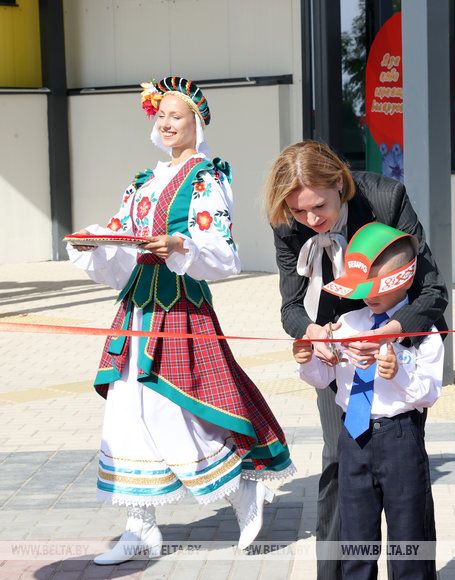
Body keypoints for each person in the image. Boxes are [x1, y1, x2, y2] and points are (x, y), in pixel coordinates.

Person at [67, 76, 294, 565]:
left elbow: (224, 254)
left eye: (177, 115)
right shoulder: (143, 181)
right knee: (127, 408)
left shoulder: (206, 177)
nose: (167, 123)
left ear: (197, 122)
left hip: (180, 306)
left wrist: (178, 245)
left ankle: (241, 489)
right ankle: (140, 527)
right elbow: (122, 239)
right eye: (162, 115)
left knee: (176, 408)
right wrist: (95, 243)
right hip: (136, 309)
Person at [264, 141, 447, 579]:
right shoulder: (287, 221)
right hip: (337, 345)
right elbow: (291, 306)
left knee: (408, 483)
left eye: (319, 207)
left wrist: (391, 333)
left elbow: (432, 289)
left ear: (339, 184)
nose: (311, 220)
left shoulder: (386, 198)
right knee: (338, 458)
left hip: (399, 338)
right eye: (300, 211)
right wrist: (313, 335)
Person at [293, 222, 442, 579]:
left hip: (400, 437)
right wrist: (308, 359)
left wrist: (397, 371)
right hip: (353, 436)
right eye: (362, 288)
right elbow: (323, 378)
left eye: (377, 288)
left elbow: (429, 393)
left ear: (404, 280)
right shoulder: (346, 323)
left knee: (409, 540)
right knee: (356, 540)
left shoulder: (423, 331)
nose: (368, 297)